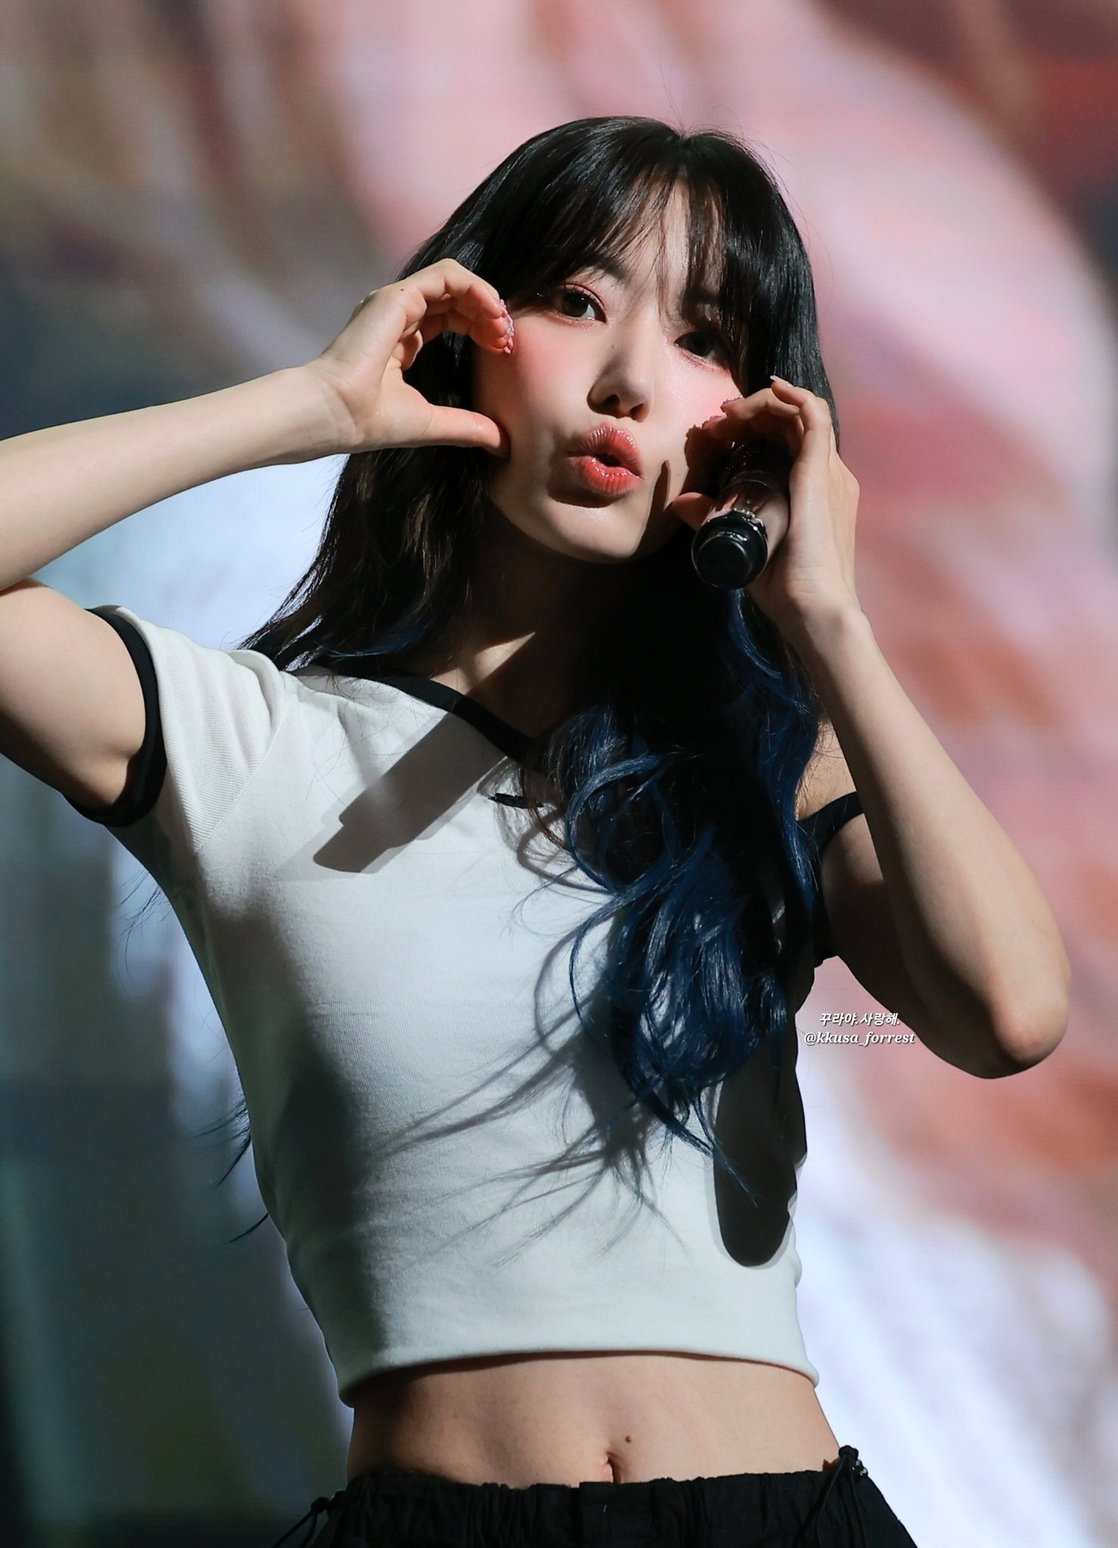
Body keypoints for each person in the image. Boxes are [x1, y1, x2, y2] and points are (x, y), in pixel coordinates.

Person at [0, 116, 1069, 1547]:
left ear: (755, 421)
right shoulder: (245, 741)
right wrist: (311, 404)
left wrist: (827, 623)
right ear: (464, 334)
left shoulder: (764, 772)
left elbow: (1008, 1012)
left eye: (702, 338)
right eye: (575, 300)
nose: (628, 378)